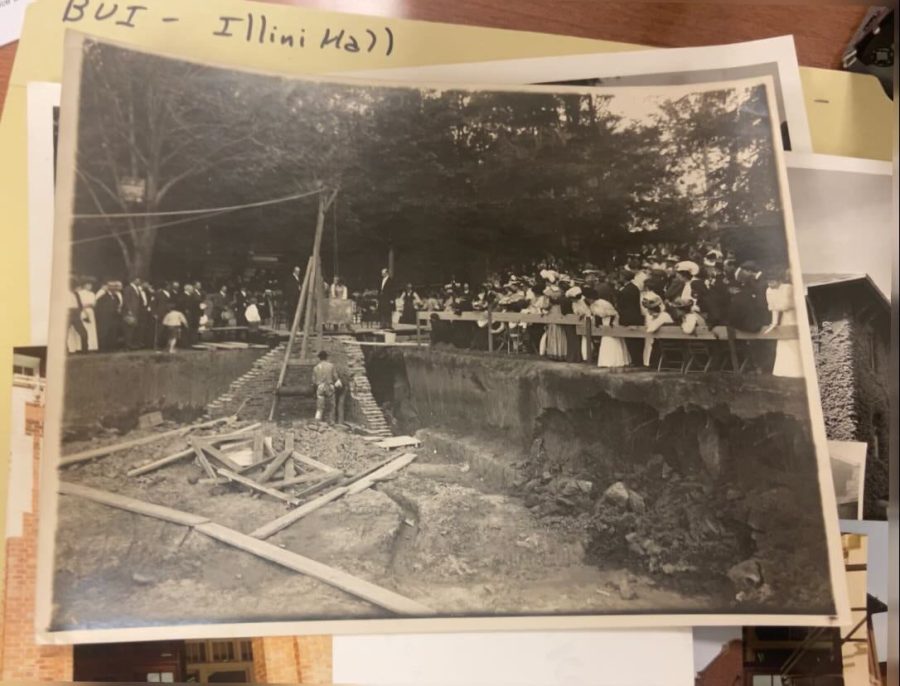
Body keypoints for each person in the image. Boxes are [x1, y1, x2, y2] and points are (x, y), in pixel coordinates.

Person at [764, 269, 803, 377]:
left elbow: (787, 305)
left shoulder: (788, 288)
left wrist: (777, 306)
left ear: (779, 280)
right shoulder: (769, 291)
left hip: (794, 315)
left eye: (772, 281)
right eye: (768, 281)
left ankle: (799, 371)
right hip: (784, 318)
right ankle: (784, 370)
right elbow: (773, 308)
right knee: (784, 342)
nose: (770, 284)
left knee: (794, 341)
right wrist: (774, 322)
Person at [617, 269, 648, 367]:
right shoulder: (634, 288)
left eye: (621, 276)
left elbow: (622, 304)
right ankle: (637, 360)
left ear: (624, 277)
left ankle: (636, 361)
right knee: (636, 340)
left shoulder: (625, 290)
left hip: (628, 317)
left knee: (631, 341)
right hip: (635, 316)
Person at [592, 298, 630, 368]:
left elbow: (614, 319)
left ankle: (613, 361)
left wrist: (611, 323)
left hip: (611, 329)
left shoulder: (612, 313)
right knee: (606, 342)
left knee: (612, 342)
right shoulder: (599, 310)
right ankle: (606, 361)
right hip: (605, 329)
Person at [643, 291, 674, 367]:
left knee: (656, 342)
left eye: (649, 310)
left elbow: (650, 329)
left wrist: (653, 319)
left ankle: (655, 364)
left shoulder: (663, 316)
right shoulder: (661, 316)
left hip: (669, 341)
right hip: (664, 340)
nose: (648, 313)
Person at [311, 349, 342, 423]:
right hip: (330, 386)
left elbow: (313, 382)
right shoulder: (331, 366)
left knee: (319, 407)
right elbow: (335, 377)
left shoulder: (316, 367)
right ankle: (332, 421)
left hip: (320, 387)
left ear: (319, 358)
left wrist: (314, 391)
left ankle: (318, 421)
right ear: (326, 357)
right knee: (331, 406)